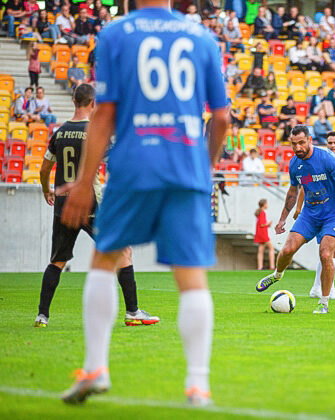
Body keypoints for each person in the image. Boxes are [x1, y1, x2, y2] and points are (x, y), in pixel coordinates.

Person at [58, 0, 229, 406]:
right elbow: (220, 118)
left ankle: (97, 367)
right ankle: (198, 384)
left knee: (104, 258)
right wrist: (205, 168)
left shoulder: (116, 34)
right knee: (191, 277)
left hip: (133, 165)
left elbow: (104, 115)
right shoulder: (200, 36)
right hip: (186, 166)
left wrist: (84, 182)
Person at [35, 84, 158, 328]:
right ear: (93, 104)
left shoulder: (59, 133)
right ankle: (133, 311)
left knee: (57, 262)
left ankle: (42, 315)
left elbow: (44, 168)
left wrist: (46, 189)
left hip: (63, 205)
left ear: (73, 101)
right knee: (123, 251)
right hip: (91, 205)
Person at [254, 125, 335, 314]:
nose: (298, 148)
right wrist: (282, 219)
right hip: (309, 213)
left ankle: (324, 303)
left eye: (301, 143)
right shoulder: (294, 163)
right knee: (287, 250)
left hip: (333, 214)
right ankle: (277, 275)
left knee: (325, 254)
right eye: (294, 144)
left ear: (309, 140)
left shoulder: (326, 158)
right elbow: (293, 192)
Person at [294, 131, 335, 300]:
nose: (332, 145)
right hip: (320, 210)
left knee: (331, 251)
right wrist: (298, 207)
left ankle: (322, 287)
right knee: (327, 251)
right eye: (329, 142)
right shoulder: (322, 160)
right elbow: (305, 186)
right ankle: (323, 288)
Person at [254, 199, 275, 271]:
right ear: (264, 204)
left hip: (259, 233)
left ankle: (260, 267)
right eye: (266, 203)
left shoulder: (259, 212)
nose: (267, 205)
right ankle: (272, 266)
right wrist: (269, 224)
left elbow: (260, 224)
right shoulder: (262, 212)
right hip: (263, 233)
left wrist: (267, 225)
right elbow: (262, 224)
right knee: (271, 248)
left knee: (260, 250)